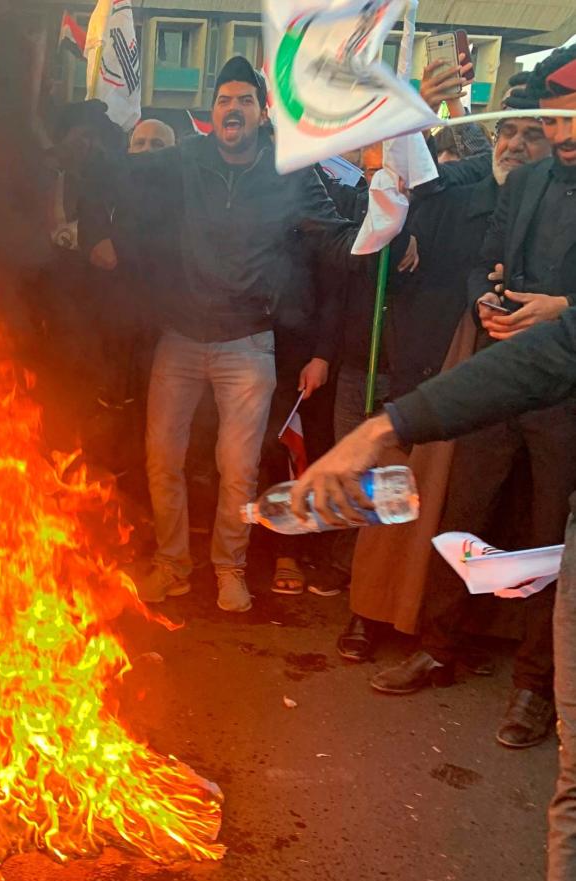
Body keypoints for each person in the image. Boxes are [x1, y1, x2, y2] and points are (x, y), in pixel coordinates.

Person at [364, 48, 576, 751]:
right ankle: (438, 647)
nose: (558, 127)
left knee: (548, 541)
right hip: (500, 372)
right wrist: (487, 306)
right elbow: (486, 259)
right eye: (553, 112)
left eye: (566, 113)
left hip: (567, 391)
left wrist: (561, 309)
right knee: (464, 515)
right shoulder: (529, 179)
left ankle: (534, 688)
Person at [123, 55, 361, 613]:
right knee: (163, 458)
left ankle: (230, 568)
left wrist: (382, 235)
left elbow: (332, 237)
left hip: (249, 342)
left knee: (240, 467)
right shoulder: (185, 160)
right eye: (225, 100)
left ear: (260, 113)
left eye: (244, 100)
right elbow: (125, 176)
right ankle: (172, 565)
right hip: (180, 337)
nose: (234, 108)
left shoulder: (289, 171)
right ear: (212, 113)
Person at [341, 84, 549, 665]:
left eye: (532, 135)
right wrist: (399, 239)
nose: (516, 145)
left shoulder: (556, 209)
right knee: (396, 498)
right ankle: (368, 612)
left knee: (476, 513)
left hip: (512, 383)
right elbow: (398, 216)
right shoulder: (457, 194)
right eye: (508, 132)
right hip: (430, 366)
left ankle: (462, 631)